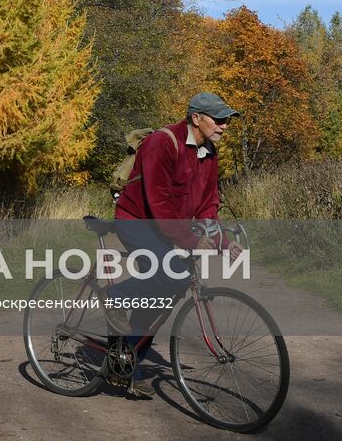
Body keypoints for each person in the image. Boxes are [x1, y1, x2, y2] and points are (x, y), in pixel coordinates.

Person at [102, 92, 240, 393]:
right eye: (219, 119)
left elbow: (208, 207)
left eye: (226, 120)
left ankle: (122, 362)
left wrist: (223, 243)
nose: (224, 126)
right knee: (167, 273)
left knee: (170, 289)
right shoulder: (162, 143)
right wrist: (190, 241)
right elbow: (158, 203)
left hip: (165, 227)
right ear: (196, 118)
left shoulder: (209, 154)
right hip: (137, 221)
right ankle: (113, 297)